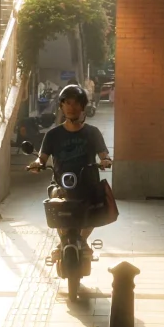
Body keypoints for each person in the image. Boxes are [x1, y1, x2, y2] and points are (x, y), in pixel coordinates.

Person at [28, 83, 112, 259]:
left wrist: (105, 160)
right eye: (67, 103)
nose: (71, 107)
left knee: (98, 205)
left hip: (88, 183)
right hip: (61, 183)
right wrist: (36, 164)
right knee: (55, 204)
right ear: (61, 106)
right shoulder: (53, 135)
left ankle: (83, 240)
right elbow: (42, 158)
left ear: (82, 107)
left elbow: (103, 154)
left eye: (76, 103)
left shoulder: (93, 133)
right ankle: (63, 239)